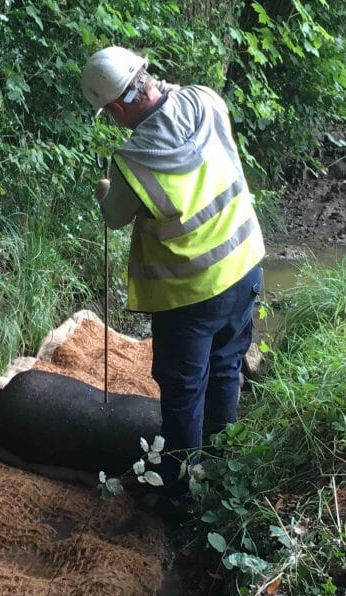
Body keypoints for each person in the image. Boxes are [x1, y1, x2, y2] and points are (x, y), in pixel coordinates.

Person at [81, 46, 265, 499]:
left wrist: (108, 190)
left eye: (108, 112)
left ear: (119, 106)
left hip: (193, 294)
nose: (112, 119)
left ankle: (178, 495)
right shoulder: (205, 99)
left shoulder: (134, 160)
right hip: (244, 266)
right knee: (225, 370)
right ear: (144, 74)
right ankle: (222, 476)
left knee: (183, 394)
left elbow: (115, 216)